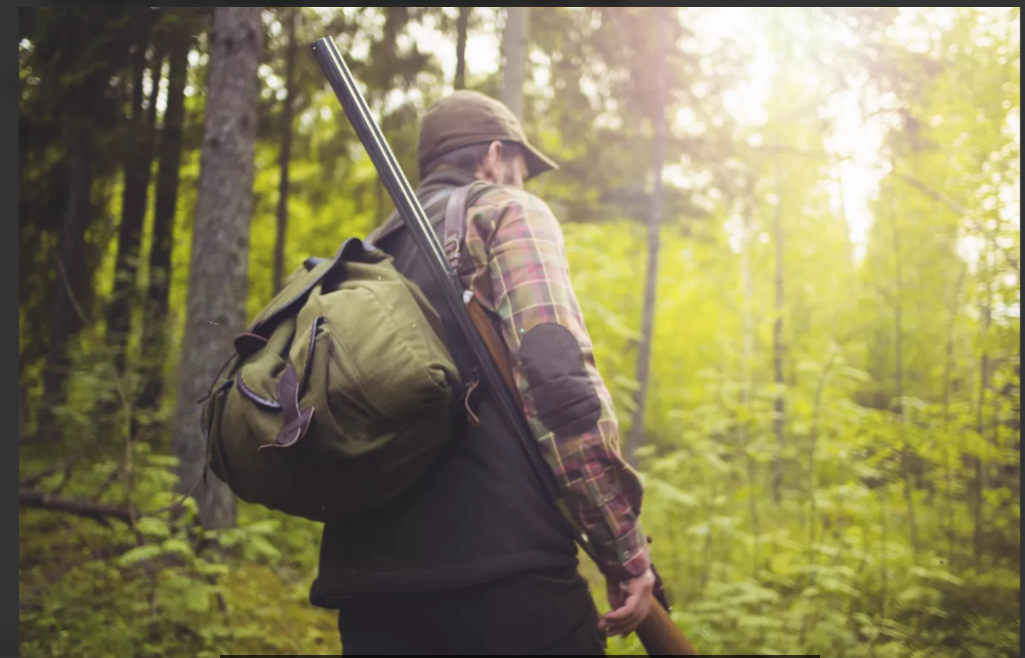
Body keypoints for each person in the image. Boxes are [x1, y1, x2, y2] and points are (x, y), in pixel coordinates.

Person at [309, 90, 655, 655]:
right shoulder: (505, 209)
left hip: (367, 586)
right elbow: (558, 385)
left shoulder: (365, 256)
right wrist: (624, 550)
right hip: (505, 577)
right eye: (520, 171)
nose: (521, 184)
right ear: (495, 156)